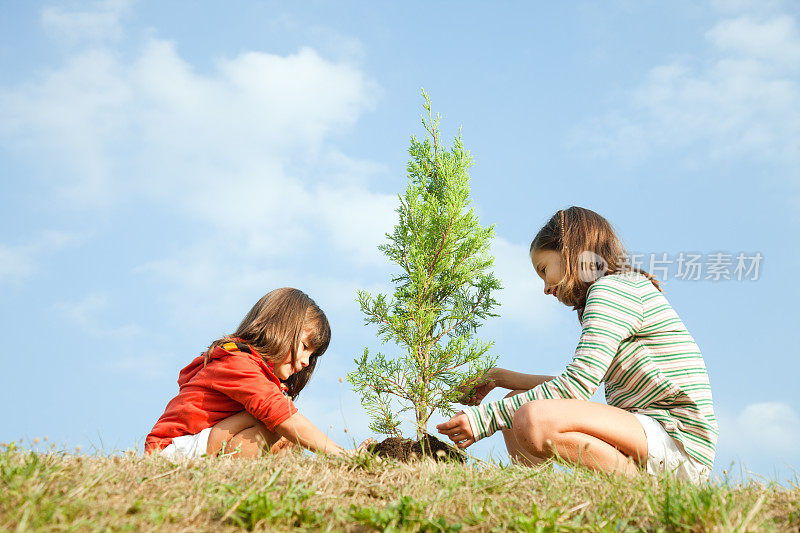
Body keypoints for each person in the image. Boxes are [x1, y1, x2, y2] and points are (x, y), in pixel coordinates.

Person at [436, 207, 718, 483]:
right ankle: (535, 499)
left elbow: (576, 387)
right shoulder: (619, 290)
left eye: (544, 269)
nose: (546, 287)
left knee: (532, 418)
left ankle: (649, 493)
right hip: (651, 436)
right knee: (517, 404)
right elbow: (573, 391)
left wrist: (483, 418)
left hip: (677, 441)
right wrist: (498, 378)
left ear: (569, 250)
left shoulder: (612, 290)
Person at [145, 287, 370, 458]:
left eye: (312, 356)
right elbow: (283, 417)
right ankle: (228, 479)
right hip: (171, 454)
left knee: (286, 437)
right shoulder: (237, 362)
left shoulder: (255, 371)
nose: (305, 362)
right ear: (280, 329)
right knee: (272, 422)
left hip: (201, 444)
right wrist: (341, 455)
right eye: (304, 347)